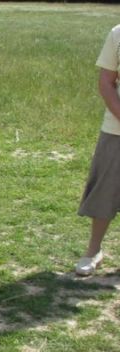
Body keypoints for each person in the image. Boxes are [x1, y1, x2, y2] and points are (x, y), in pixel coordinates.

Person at [75, 24, 120, 276]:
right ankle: (93, 251)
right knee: (105, 190)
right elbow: (106, 83)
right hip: (116, 129)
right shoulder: (118, 34)